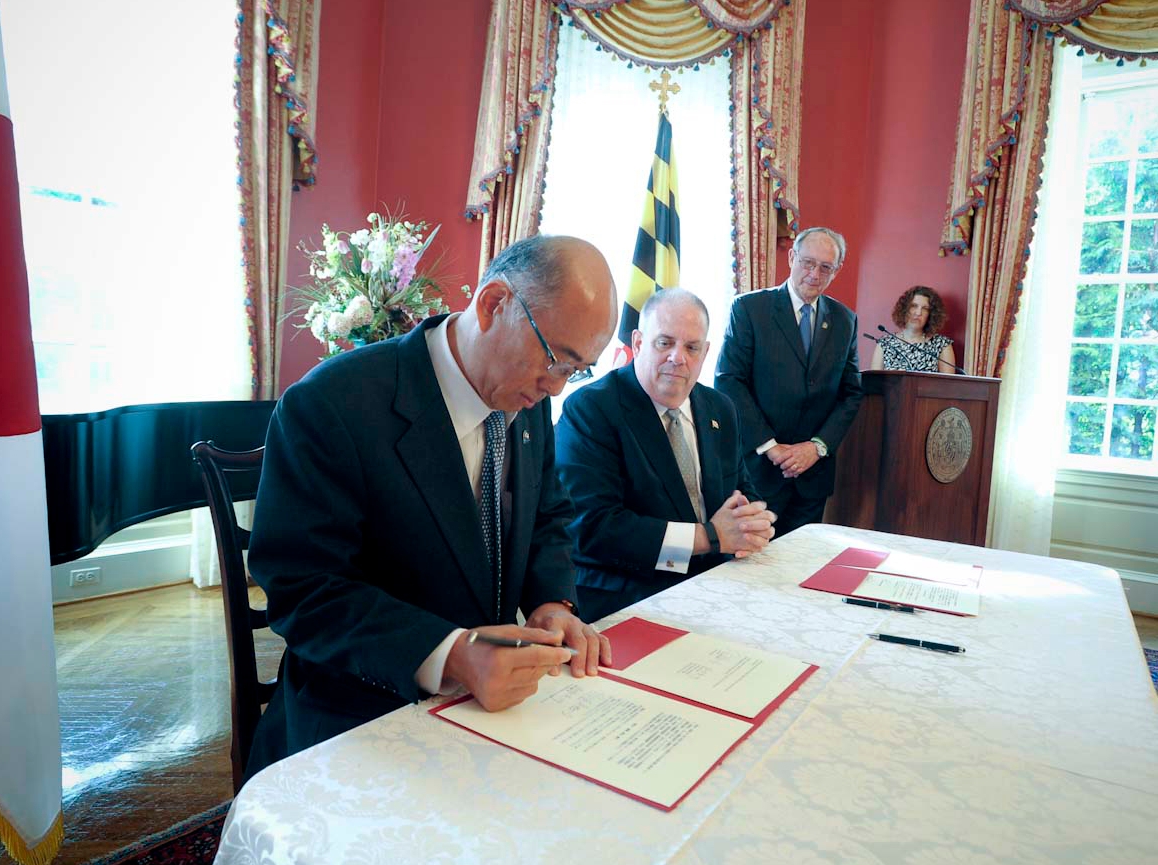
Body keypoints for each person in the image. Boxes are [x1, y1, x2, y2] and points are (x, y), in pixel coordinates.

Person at [244, 235, 617, 777]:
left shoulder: (526, 398)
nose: (558, 389)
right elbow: (306, 591)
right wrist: (452, 655)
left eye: (576, 371)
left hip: (487, 707)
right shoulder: (332, 405)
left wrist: (553, 602)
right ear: (494, 305)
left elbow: (548, 518)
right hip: (359, 711)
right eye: (557, 359)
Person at [556, 289, 777, 623]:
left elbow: (743, 490)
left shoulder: (720, 407)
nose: (678, 358)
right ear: (639, 342)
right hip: (627, 596)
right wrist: (710, 537)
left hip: (717, 585)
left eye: (691, 347)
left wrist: (753, 522)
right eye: (665, 343)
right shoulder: (591, 409)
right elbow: (594, 528)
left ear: (705, 353)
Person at [715, 226, 863, 538]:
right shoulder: (750, 309)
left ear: (836, 271)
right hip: (758, 470)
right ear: (792, 257)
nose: (815, 274)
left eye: (825, 267)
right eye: (808, 263)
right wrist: (771, 447)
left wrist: (817, 447)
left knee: (801, 569)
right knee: (750, 566)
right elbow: (729, 381)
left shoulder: (845, 320)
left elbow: (851, 394)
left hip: (813, 475)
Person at [870, 285, 957, 373]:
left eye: (925, 308)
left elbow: (948, 385)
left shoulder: (942, 344)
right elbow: (874, 383)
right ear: (904, 309)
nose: (918, 313)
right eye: (914, 306)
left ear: (931, 314)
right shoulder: (885, 344)